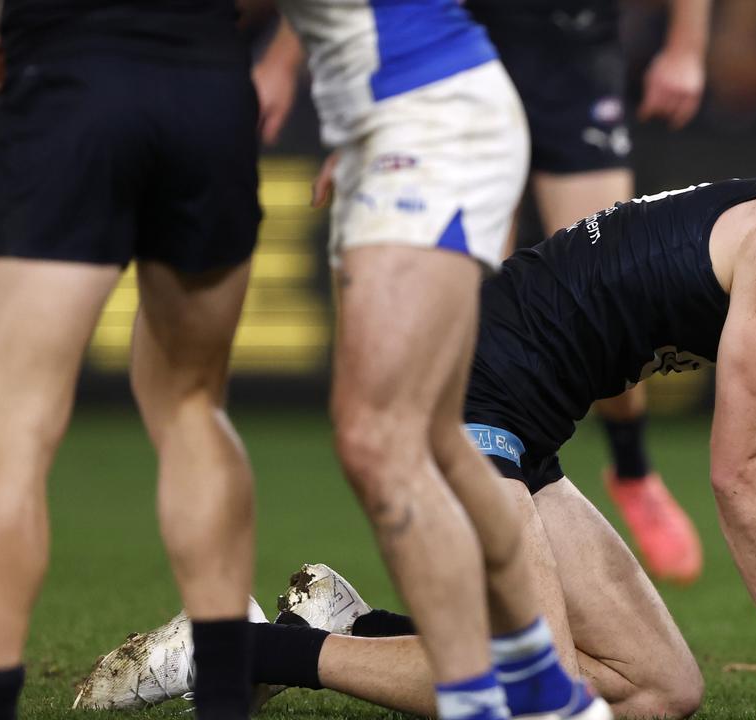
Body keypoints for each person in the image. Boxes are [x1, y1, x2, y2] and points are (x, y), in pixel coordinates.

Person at [75, 107, 756, 720]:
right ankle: (238, 648)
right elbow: (741, 473)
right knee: (539, 699)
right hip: (452, 398)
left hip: (520, 433)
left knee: (660, 691)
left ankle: (355, 629)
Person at [247, 4, 608, 720]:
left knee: (379, 437)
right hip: (417, 112)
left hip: (426, 119)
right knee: (435, 434)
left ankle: (496, 701)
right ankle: (546, 694)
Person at [0, 2, 264, 719]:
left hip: (70, 74)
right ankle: (223, 699)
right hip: (206, 78)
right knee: (193, 404)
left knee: (14, 425)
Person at [463, 0, 712, 585]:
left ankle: (631, 469)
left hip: (576, 56)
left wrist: (685, 48)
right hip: (471, 53)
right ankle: (498, 484)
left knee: (608, 300)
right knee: (477, 310)